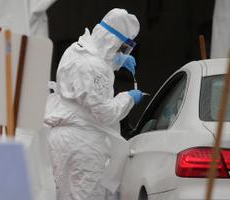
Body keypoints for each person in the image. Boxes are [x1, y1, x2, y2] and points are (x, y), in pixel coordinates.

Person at [44, 8, 143, 200]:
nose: (120, 52)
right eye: (120, 47)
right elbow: (104, 113)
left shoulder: (76, 50)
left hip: (59, 138)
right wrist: (129, 98)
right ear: (113, 41)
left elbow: (98, 60)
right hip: (84, 144)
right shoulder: (96, 68)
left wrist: (117, 61)